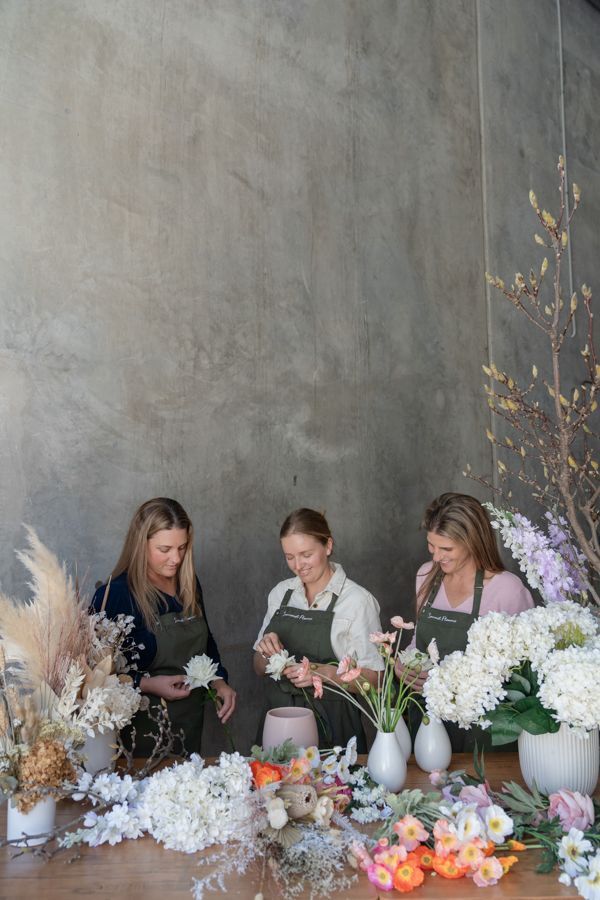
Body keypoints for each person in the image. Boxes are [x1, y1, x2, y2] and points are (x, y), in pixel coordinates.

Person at [92, 497, 236, 756]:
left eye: (182, 547)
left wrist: (219, 681)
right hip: (141, 731)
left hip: (190, 722)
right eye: (165, 549)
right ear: (140, 544)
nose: (176, 558)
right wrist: (147, 684)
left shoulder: (188, 583)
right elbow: (95, 674)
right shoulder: (116, 594)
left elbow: (206, 642)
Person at [395, 492, 534, 751]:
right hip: (429, 724)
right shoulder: (426, 576)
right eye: (431, 546)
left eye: (446, 549)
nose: (436, 557)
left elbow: (527, 677)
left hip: (484, 733)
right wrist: (404, 665)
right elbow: (420, 641)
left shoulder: (506, 590)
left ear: (472, 542)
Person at [254, 508, 385, 753]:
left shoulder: (357, 601)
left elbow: (377, 680)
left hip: (335, 728)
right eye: (289, 556)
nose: (298, 565)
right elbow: (258, 667)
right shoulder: (281, 593)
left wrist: (323, 673)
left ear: (328, 546)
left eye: (306, 554)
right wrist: (265, 651)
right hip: (279, 726)